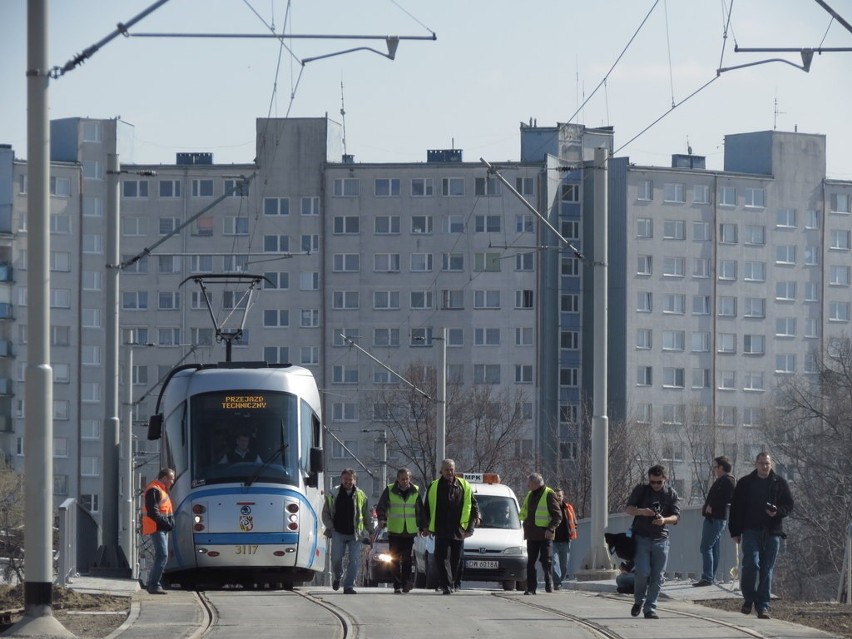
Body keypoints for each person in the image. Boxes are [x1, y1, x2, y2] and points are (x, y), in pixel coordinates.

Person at [728, 452, 793, 620]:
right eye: (762, 463)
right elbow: (735, 508)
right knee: (751, 564)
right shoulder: (745, 483)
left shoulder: (779, 483)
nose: (765, 466)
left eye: (767, 463)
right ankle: (749, 598)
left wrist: (777, 512)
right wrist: (734, 531)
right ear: (756, 464)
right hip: (750, 530)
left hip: (772, 532)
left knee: (767, 569)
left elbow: (789, 505)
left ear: (771, 464)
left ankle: (763, 606)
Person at [625, 464, 680, 619]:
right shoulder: (641, 490)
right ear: (649, 479)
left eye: (659, 482)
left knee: (658, 575)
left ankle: (650, 608)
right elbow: (628, 509)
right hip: (642, 537)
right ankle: (639, 600)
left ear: (665, 479)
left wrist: (664, 520)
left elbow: (676, 517)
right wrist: (642, 512)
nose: (655, 485)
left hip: (661, 539)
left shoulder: (671, 494)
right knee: (642, 572)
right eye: (652, 482)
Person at [421, 458, 479, 595]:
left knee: (456, 559)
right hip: (441, 528)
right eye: (446, 469)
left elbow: (473, 504)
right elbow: (427, 508)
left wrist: (474, 521)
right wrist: (425, 526)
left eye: (451, 469)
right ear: (441, 470)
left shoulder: (464, 485)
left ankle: (451, 582)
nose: (449, 472)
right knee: (441, 558)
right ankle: (446, 585)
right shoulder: (434, 486)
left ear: (455, 470)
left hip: (458, 529)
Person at [322, 468, 374, 595]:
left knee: (354, 560)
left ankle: (348, 586)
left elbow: (366, 515)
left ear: (355, 480)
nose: (348, 482)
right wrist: (331, 527)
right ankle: (338, 576)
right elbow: (325, 514)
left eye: (350, 479)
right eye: (345, 479)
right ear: (341, 479)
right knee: (336, 558)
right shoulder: (333, 493)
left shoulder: (361, 495)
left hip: (355, 534)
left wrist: (371, 531)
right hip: (338, 532)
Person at [375, 468, 423, 594]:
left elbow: (420, 511)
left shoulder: (415, 491)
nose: (405, 481)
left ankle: (406, 583)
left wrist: (423, 526)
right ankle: (397, 585)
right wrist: (381, 518)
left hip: (409, 531)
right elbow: (381, 506)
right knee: (394, 559)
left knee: (407, 558)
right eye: (402, 479)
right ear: (397, 479)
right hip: (395, 531)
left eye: (407, 478)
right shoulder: (390, 490)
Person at [693, 455, 736, 587]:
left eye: (715, 466)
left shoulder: (727, 481)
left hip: (715, 519)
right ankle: (710, 576)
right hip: (714, 518)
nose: (714, 469)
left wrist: (713, 507)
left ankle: (707, 577)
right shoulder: (722, 481)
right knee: (713, 548)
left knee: (705, 547)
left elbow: (728, 498)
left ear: (721, 467)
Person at [518, 473, 562, 594]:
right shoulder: (530, 494)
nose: (527, 485)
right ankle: (531, 588)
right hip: (532, 534)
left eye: (529, 483)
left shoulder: (549, 494)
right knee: (531, 562)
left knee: (546, 560)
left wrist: (551, 529)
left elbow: (557, 516)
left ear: (536, 483)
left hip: (544, 534)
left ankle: (549, 584)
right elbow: (525, 511)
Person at [141, 468, 176, 595]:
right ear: (165, 478)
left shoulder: (160, 489)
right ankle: (154, 584)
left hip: (160, 527)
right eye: (171, 479)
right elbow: (153, 512)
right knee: (162, 555)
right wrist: (167, 523)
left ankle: (153, 583)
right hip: (157, 527)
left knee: (162, 555)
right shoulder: (154, 489)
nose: (172, 481)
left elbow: (162, 511)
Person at [551, 487, 578, 591]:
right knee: (555, 562)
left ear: (563, 496)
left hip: (566, 540)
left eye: (560, 495)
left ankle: (559, 581)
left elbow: (574, 521)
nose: (558, 497)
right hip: (553, 540)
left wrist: (574, 529)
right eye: (556, 495)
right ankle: (557, 583)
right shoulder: (550, 508)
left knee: (564, 565)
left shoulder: (568, 508)